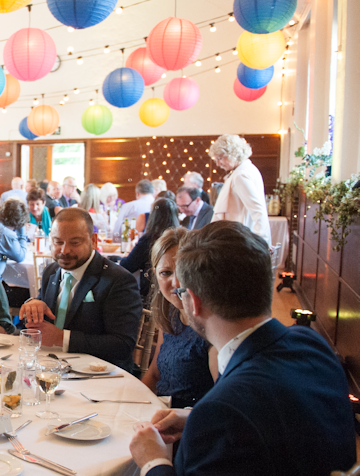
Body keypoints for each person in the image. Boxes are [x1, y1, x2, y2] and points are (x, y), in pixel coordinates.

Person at [129, 221, 355, 476]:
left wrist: (153, 462)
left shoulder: (221, 412)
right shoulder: (311, 343)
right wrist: (193, 418)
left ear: (193, 301)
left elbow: (238, 410)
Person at [19, 208, 142, 370]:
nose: (64, 251)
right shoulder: (52, 272)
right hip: (50, 366)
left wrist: (62, 338)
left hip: (100, 375)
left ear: (93, 240)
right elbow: (41, 324)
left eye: (75, 242)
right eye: (58, 242)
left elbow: (122, 345)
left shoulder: (118, 280)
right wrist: (33, 305)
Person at [141, 228, 216, 408]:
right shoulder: (170, 313)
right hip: (159, 413)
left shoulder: (212, 325)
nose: (176, 283)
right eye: (166, 273)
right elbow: (154, 374)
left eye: (183, 271)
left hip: (190, 425)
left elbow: (221, 400)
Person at [209, 134, 271, 243]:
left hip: (241, 237)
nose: (218, 164)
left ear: (232, 154)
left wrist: (261, 241)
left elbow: (258, 210)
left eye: (220, 158)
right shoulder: (246, 169)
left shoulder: (240, 175)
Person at [121, 198, 180, 303]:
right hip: (178, 293)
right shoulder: (182, 238)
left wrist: (124, 257)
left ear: (153, 217)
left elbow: (127, 266)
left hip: (151, 296)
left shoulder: (150, 239)